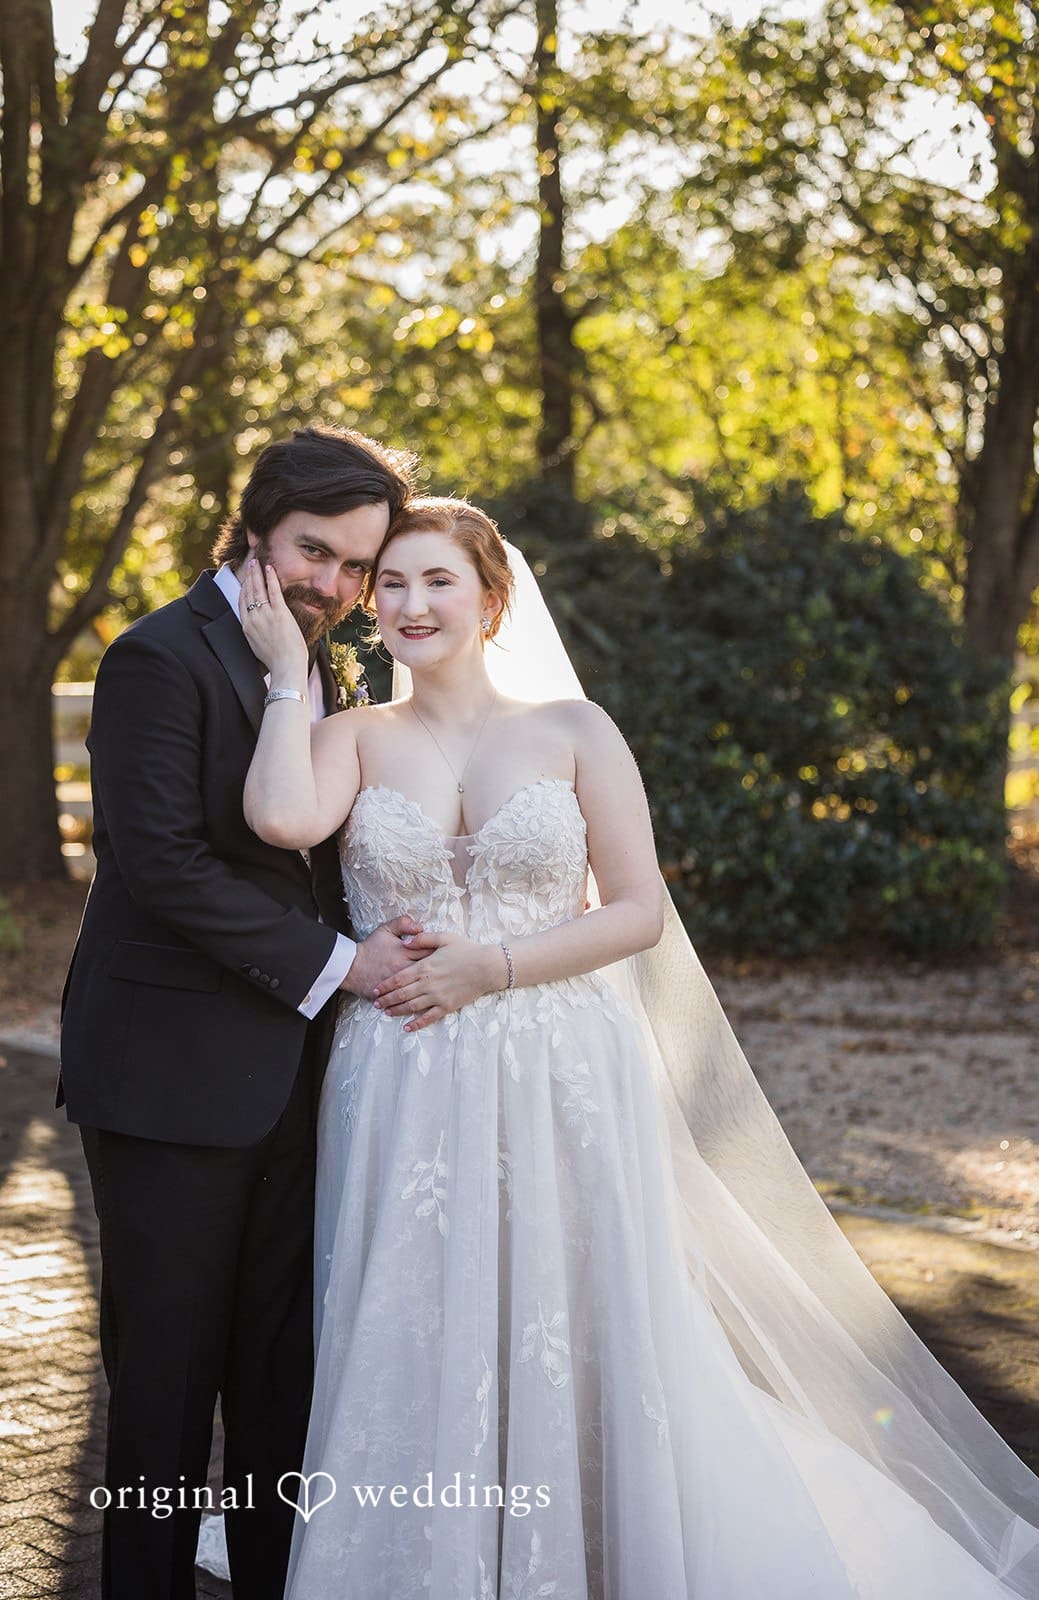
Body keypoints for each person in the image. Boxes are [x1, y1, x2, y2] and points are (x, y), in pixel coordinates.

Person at [239, 496, 1039, 1599]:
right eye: (389, 582)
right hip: (403, 1070)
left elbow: (634, 911)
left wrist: (493, 964)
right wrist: (285, 670)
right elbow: (279, 820)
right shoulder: (348, 735)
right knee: (416, 1310)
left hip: (562, 1063)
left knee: (576, 1309)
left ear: (491, 601)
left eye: (437, 580)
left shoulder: (575, 729)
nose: (409, 602)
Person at [58, 425, 429, 1600]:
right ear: (257, 524)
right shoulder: (157, 657)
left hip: (306, 1082)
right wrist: (345, 966)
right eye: (316, 551)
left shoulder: (330, 662)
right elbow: (160, 865)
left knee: (282, 1389)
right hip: (170, 1081)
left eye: (358, 567)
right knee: (165, 1394)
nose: (335, 585)